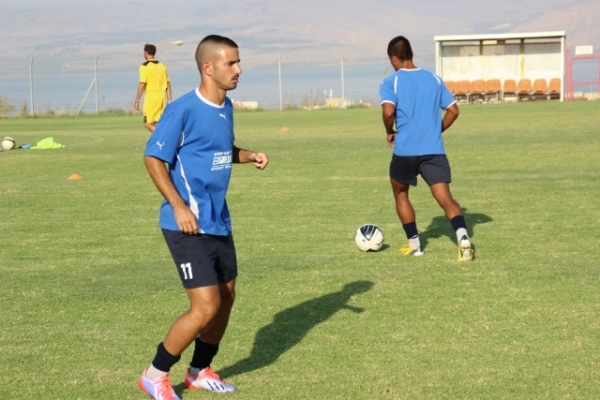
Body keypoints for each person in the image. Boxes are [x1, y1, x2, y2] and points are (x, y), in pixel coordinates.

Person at [138, 35, 269, 400]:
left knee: (226, 297)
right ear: (208, 68)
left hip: (217, 219)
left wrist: (248, 155)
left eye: (238, 61)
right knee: (206, 305)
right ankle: (154, 374)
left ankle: (199, 371)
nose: (239, 69)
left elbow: (220, 150)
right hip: (186, 223)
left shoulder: (226, 106)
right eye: (231, 63)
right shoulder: (182, 109)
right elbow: (153, 158)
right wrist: (178, 206)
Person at [379, 35, 473, 261]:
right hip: (434, 151)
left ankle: (416, 247)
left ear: (393, 59)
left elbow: (388, 112)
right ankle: (463, 238)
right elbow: (453, 111)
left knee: (401, 193)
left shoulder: (390, 82)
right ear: (410, 54)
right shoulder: (434, 79)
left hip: (405, 151)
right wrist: (435, 130)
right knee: (445, 198)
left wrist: (389, 130)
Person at [134, 44, 172, 133]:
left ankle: (163, 137)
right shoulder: (162, 65)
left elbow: (142, 84)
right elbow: (167, 83)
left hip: (151, 97)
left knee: (148, 123)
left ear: (146, 53)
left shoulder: (144, 66)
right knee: (157, 123)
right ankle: (160, 140)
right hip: (162, 97)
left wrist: (137, 100)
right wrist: (169, 99)